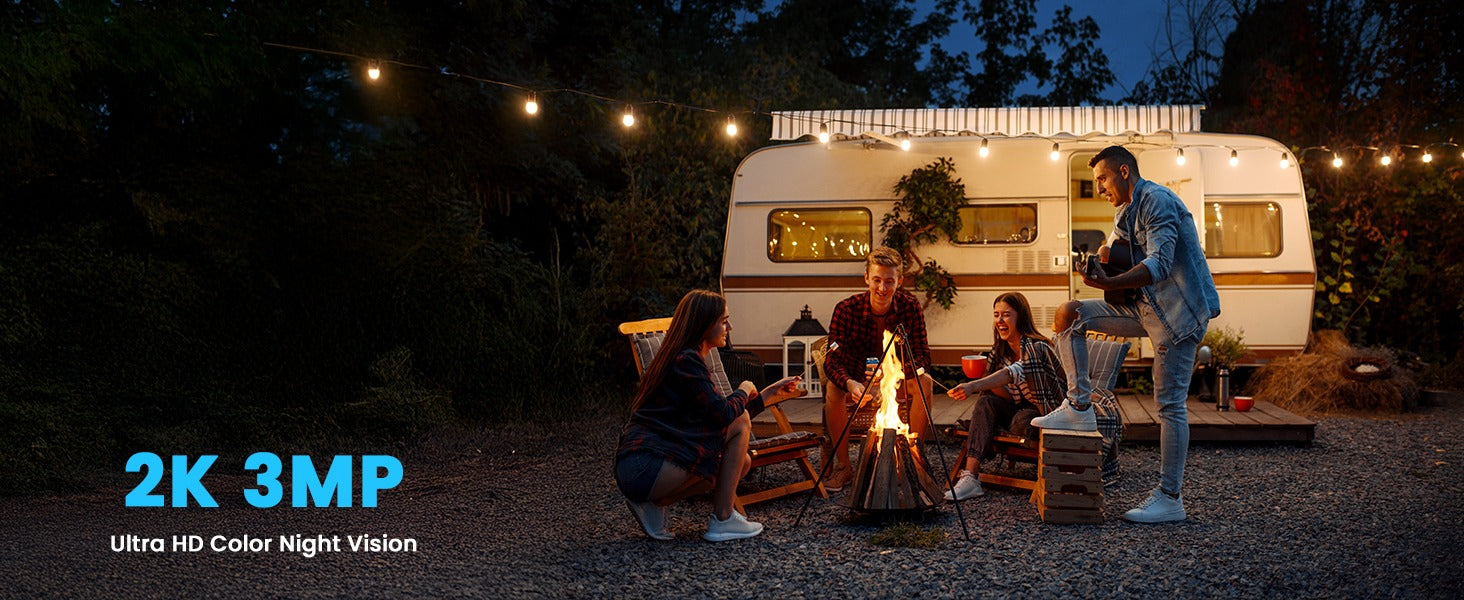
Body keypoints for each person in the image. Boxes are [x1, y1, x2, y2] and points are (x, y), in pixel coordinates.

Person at [1031, 145, 1221, 523]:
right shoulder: (1124, 208)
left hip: (1178, 315)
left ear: (1122, 171)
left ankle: (1171, 497)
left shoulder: (1157, 201)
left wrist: (1113, 279)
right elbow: (1115, 243)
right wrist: (1102, 257)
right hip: (1143, 308)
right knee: (1069, 315)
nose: (1099, 187)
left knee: (1168, 405)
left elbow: (1160, 264)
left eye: (1101, 179)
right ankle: (1080, 408)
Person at [615, 290, 802, 541]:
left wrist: (768, 392)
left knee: (741, 463)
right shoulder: (686, 360)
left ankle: (653, 505)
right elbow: (726, 415)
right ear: (704, 324)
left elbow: (721, 416)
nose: (730, 327)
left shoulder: (686, 357)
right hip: (645, 464)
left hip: (646, 466)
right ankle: (723, 519)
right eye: (724, 321)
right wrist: (745, 388)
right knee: (739, 428)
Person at [821, 247, 934, 492]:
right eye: (877, 280)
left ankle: (913, 459)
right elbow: (831, 361)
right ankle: (843, 467)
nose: (882, 288)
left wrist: (896, 376)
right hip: (857, 382)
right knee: (833, 389)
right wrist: (850, 383)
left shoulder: (910, 307)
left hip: (897, 379)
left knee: (926, 382)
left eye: (889, 282)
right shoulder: (846, 309)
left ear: (900, 281)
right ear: (866, 278)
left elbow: (924, 356)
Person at [944, 292, 1066, 500]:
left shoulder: (1037, 347)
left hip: (1044, 413)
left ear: (1021, 317)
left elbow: (1012, 373)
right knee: (986, 402)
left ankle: (986, 436)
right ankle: (970, 477)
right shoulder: (999, 351)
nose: (999, 320)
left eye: (1006, 315)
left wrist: (974, 385)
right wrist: (983, 376)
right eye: (996, 314)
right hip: (1018, 410)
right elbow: (1008, 397)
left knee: (1022, 420)